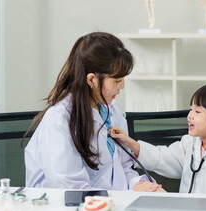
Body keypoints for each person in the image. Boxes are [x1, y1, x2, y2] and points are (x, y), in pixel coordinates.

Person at [24, 32, 163, 192]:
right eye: (117, 80)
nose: (122, 86)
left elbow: (124, 168)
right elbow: (72, 190)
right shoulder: (60, 120)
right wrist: (127, 196)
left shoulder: (112, 112)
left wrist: (141, 186)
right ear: (91, 80)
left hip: (111, 207)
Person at [111, 83, 206, 195]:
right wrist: (131, 143)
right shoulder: (192, 143)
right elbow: (164, 157)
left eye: (197, 111)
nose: (190, 116)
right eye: (190, 109)